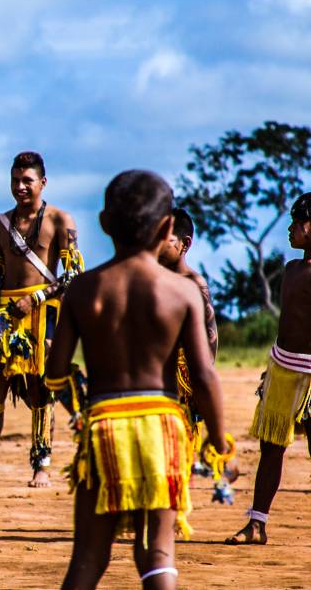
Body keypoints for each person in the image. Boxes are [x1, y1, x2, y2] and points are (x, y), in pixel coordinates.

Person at [45, 170, 227, 589]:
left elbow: (55, 372)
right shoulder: (182, 292)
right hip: (162, 429)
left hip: (105, 428)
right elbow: (204, 375)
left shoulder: (83, 290)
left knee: (88, 558)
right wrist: (220, 444)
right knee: (157, 555)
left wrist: (76, 399)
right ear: (166, 228)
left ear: (104, 223)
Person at [0, 151, 84, 487]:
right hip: (6, 314)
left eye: (27, 181)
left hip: (44, 312)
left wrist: (35, 298)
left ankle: (41, 464)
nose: (20, 187)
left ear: (43, 182)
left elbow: (73, 274)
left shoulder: (60, 219)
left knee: (42, 389)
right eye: (15, 180)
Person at [226, 192, 311, 546]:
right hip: (282, 368)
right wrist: (271, 369)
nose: (290, 229)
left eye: (296, 223)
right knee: (271, 448)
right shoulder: (291, 270)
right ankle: (256, 524)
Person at [158, 208, 224, 475]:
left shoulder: (194, 283)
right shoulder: (149, 278)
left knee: (177, 446)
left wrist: (199, 383)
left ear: (184, 244)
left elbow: (210, 338)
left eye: (165, 239)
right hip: (151, 376)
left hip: (181, 380)